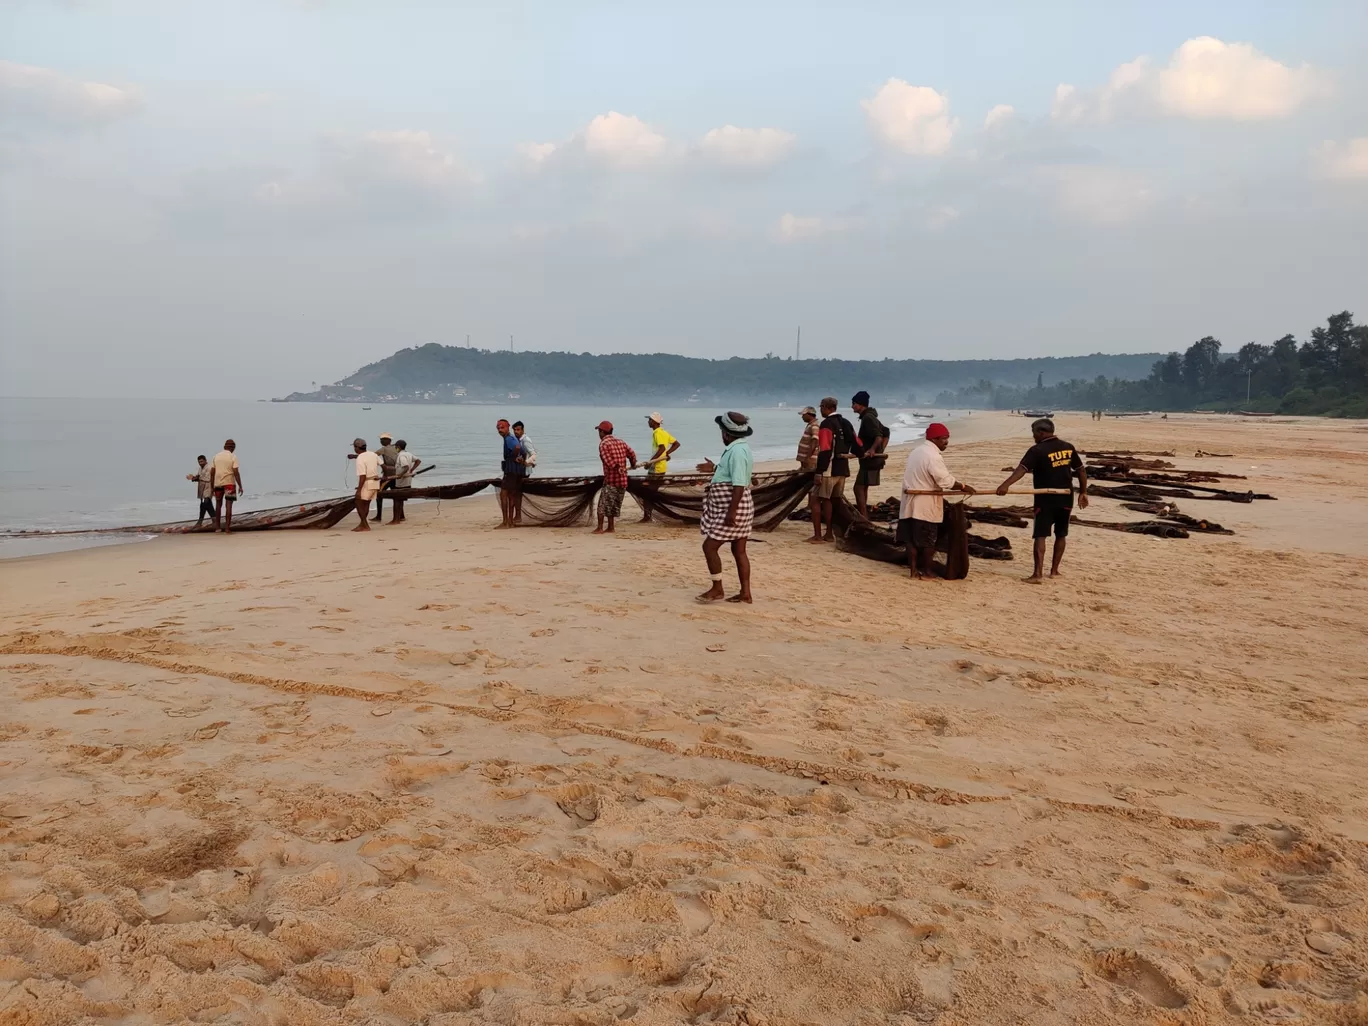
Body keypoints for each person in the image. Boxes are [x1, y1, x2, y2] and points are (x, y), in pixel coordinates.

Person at [996, 417, 1088, 583]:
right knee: (1061, 534)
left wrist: (1005, 485)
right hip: (1066, 498)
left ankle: (1037, 574)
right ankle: (1054, 571)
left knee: (1040, 535)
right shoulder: (1068, 447)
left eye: (1034, 433)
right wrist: (1083, 492)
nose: (1033, 437)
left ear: (1041, 432)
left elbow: (1021, 470)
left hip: (1045, 500)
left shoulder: (1037, 450)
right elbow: (1081, 470)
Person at [898, 423, 975, 580]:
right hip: (924, 506)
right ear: (934, 439)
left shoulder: (916, 451)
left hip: (908, 504)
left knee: (911, 540)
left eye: (947, 438)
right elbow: (944, 481)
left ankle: (913, 571)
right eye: (944, 439)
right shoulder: (932, 456)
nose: (946, 442)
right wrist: (963, 486)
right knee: (928, 542)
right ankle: (926, 572)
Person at [695, 412, 755, 603]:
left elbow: (738, 484)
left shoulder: (737, 451)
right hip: (737, 506)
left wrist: (731, 512)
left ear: (726, 434)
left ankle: (717, 588)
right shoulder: (739, 448)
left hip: (733, 508)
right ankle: (745, 593)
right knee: (739, 551)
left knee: (709, 546)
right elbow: (731, 475)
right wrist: (714, 468)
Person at [809, 397, 855, 543]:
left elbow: (825, 450)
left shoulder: (826, 424)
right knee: (830, 500)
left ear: (826, 407)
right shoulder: (846, 422)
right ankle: (829, 534)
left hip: (829, 470)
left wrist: (819, 471)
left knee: (815, 500)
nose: (820, 410)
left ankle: (818, 536)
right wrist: (859, 454)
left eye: (821, 407)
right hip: (842, 469)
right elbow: (857, 442)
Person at [850, 390, 890, 518]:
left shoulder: (868, 418)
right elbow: (886, 432)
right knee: (863, 487)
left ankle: (863, 516)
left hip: (870, 460)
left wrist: (873, 450)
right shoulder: (870, 416)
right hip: (872, 460)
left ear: (861, 405)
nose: (852, 406)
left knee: (858, 488)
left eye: (854, 404)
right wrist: (881, 450)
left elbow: (879, 436)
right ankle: (864, 514)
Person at [593, 420, 637, 534]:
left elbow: (609, 461)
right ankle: (611, 528)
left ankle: (600, 528)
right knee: (612, 505)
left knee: (602, 504)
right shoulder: (620, 442)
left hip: (611, 480)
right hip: (623, 481)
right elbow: (632, 454)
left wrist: (617, 467)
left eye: (599, 431)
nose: (599, 434)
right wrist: (633, 464)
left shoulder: (603, 444)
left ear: (602, 432)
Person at [640, 413, 680, 523]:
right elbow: (676, 444)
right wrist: (667, 453)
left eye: (649, 420)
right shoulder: (664, 432)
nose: (648, 422)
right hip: (661, 467)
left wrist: (650, 462)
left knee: (647, 493)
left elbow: (661, 448)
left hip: (656, 468)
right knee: (650, 492)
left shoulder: (657, 433)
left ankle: (647, 517)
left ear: (654, 422)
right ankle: (648, 516)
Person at [208, 440, 243, 534]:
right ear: (232, 447)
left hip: (217, 483)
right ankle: (227, 528)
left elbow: (212, 473)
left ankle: (218, 528)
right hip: (229, 484)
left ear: (224, 446)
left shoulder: (216, 456)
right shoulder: (233, 457)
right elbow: (235, 472)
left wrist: (212, 487)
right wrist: (240, 485)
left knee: (218, 505)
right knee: (229, 505)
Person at [496, 419, 523, 528]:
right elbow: (521, 450)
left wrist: (512, 458)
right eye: (498, 428)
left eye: (502, 427)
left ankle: (505, 522)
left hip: (511, 471)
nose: (500, 430)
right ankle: (510, 522)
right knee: (511, 495)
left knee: (503, 495)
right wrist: (518, 458)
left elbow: (517, 448)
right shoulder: (513, 438)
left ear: (508, 427)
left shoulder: (508, 439)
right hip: (516, 470)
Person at [351, 437, 382, 531]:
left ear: (356, 448)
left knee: (358, 501)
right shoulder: (373, 454)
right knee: (366, 504)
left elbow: (363, 476)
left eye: (354, 447)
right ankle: (362, 524)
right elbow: (383, 465)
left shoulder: (360, 458)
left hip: (367, 482)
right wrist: (384, 477)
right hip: (375, 482)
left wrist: (359, 490)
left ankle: (365, 525)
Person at [387, 439, 420, 524]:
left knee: (397, 500)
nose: (395, 448)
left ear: (398, 447)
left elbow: (405, 467)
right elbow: (418, 461)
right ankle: (401, 517)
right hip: (407, 481)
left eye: (395, 447)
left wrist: (400, 475)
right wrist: (412, 470)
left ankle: (396, 519)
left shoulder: (401, 456)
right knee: (400, 499)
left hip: (401, 482)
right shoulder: (408, 454)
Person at [372, 433, 398, 522]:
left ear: (389, 441)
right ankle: (400, 515)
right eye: (381, 440)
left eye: (383, 440)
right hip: (397, 474)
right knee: (397, 495)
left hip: (389, 475)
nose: (381, 441)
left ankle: (379, 516)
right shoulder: (396, 447)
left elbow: (371, 456)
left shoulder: (384, 449)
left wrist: (356, 456)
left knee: (379, 494)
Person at [187, 455, 214, 527]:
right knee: (205, 505)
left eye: (202, 461)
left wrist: (194, 478)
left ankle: (200, 521)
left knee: (206, 503)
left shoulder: (209, 468)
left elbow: (207, 478)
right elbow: (199, 476)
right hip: (202, 489)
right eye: (199, 462)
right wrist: (193, 477)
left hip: (208, 487)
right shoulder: (200, 468)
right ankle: (214, 520)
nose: (200, 463)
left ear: (205, 460)